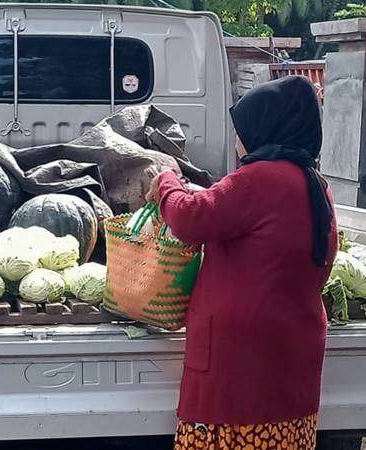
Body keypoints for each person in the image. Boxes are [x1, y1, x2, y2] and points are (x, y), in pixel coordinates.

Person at [145, 76, 338, 450]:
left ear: (265, 128)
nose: (237, 138)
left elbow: (188, 218)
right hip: (291, 355)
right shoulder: (314, 182)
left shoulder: (260, 179)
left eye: (242, 128)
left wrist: (167, 181)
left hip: (240, 364)